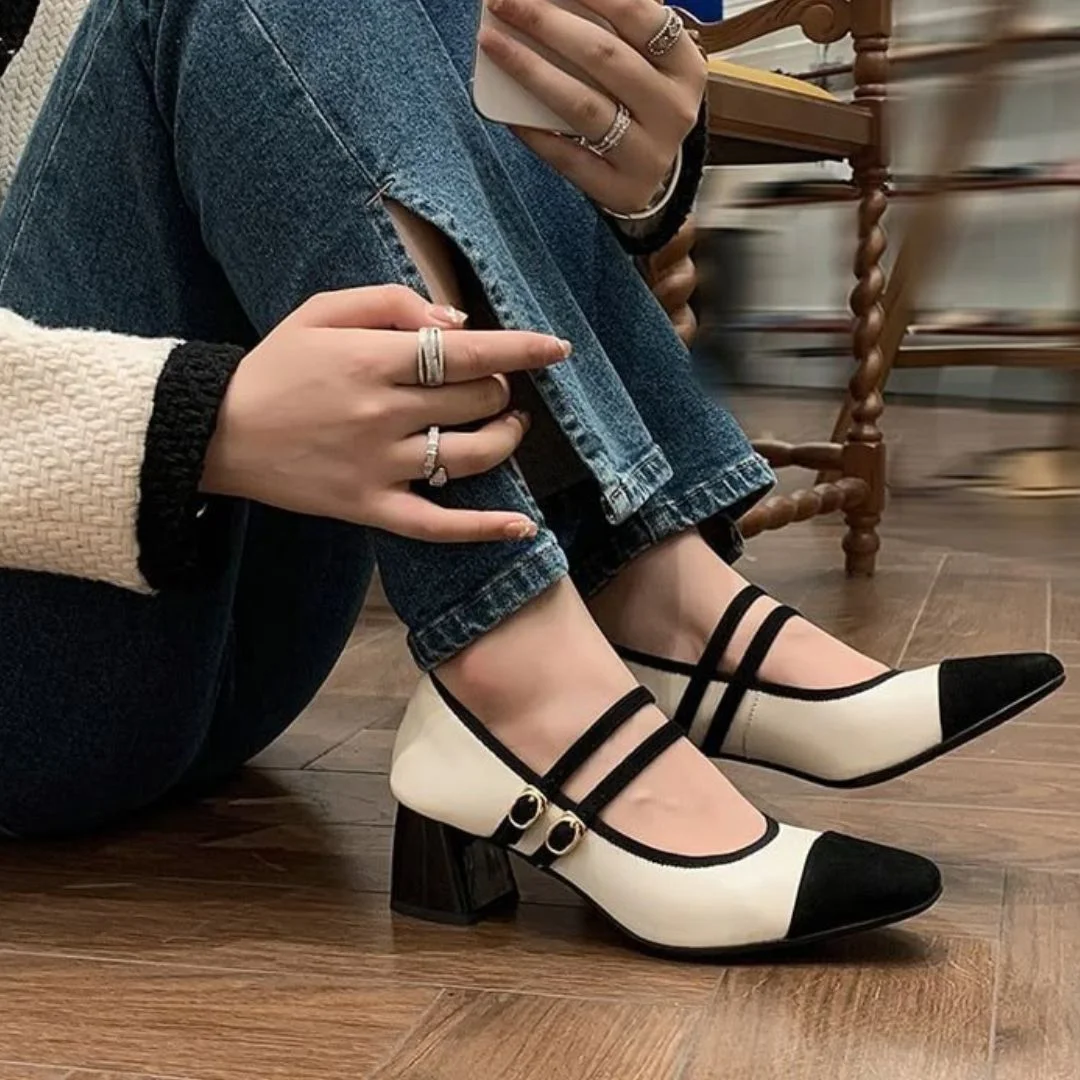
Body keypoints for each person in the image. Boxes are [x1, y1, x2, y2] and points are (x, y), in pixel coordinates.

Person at [0, 0, 1063, 958]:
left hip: (232, 627)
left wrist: (635, 167)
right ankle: (526, 670)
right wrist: (203, 423)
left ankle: (653, 593)